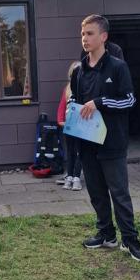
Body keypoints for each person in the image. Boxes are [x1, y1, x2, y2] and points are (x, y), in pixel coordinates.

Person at [70, 14, 140, 262]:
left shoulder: (118, 67)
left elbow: (129, 100)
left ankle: (130, 240)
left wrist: (100, 102)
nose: (85, 38)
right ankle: (106, 235)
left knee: (119, 194)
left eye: (90, 33)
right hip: (87, 143)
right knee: (96, 192)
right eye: (83, 34)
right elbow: (75, 99)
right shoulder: (78, 71)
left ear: (103, 36)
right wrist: (73, 108)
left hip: (112, 142)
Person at [56, 61, 82, 190]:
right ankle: (69, 176)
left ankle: (77, 177)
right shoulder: (67, 89)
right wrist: (60, 120)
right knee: (70, 151)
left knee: (80, 152)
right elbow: (62, 106)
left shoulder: (86, 88)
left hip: (81, 127)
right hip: (69, 125)